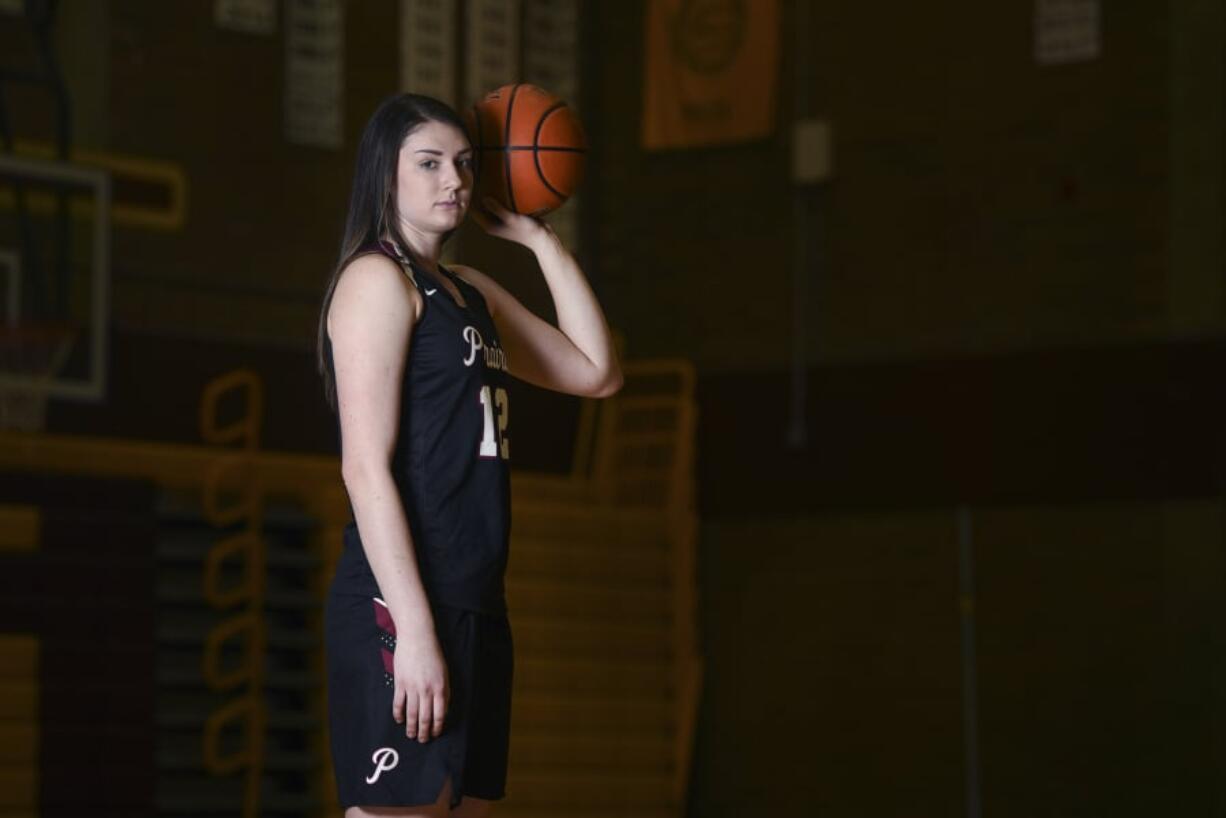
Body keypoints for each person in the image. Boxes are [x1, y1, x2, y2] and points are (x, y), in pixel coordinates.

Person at [316, 93, 622, 818]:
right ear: (383, 176)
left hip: (478, 600)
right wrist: (415, 629)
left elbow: (596, 372)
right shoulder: (375, 282)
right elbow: (363, 466)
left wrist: (542, 241)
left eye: (463, 163)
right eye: (428, 164)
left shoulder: (468, 291)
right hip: (404, 600)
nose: (453, 179)